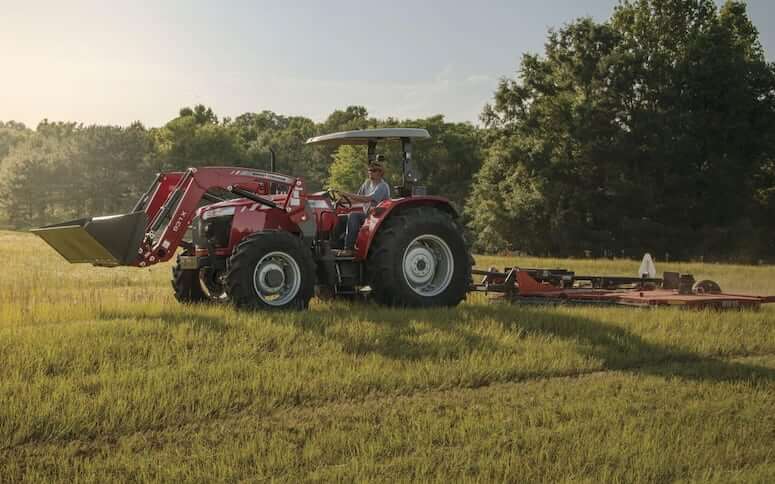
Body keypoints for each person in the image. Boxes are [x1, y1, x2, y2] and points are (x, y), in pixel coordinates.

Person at [336, 158, 391, 256]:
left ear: (380, 172)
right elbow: (357, 198)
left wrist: (346, 193)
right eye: (369, 170)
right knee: (341, 218)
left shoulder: (382, 186)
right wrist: (342, 200)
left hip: (377, 217)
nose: (370, 172)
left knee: (354, 216)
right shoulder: (367, 183)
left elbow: (367, 199)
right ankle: (336, 247)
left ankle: (349, 249)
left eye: (373, 170)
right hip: (368, 215)